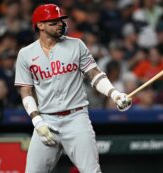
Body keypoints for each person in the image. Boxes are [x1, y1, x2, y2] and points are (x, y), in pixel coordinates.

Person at [14, 4, 131, 173]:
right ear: (40, 25)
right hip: (46, 119)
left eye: (61, 20)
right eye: (54, 22)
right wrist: (37, 121)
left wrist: (115, 94)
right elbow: (26, 91)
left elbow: (95, 74)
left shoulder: (77, 45)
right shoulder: (25, 54)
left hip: (76, 118)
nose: (60, 24)